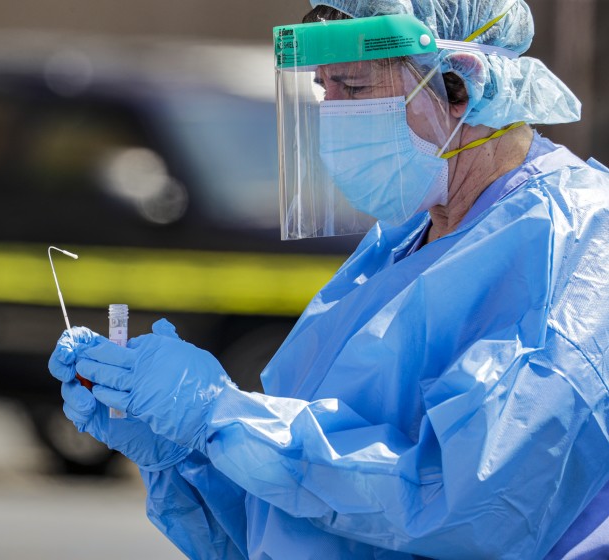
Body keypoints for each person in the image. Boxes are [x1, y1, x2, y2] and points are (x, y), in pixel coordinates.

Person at [49, 0, 609, 558]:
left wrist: (223, 416)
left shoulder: (576, 242)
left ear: (461, 85)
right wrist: (184, 450)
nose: (333, 116)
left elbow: (475, 508)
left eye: (356, 89)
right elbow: (295, 521)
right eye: (324, 91)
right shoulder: (400, 244)